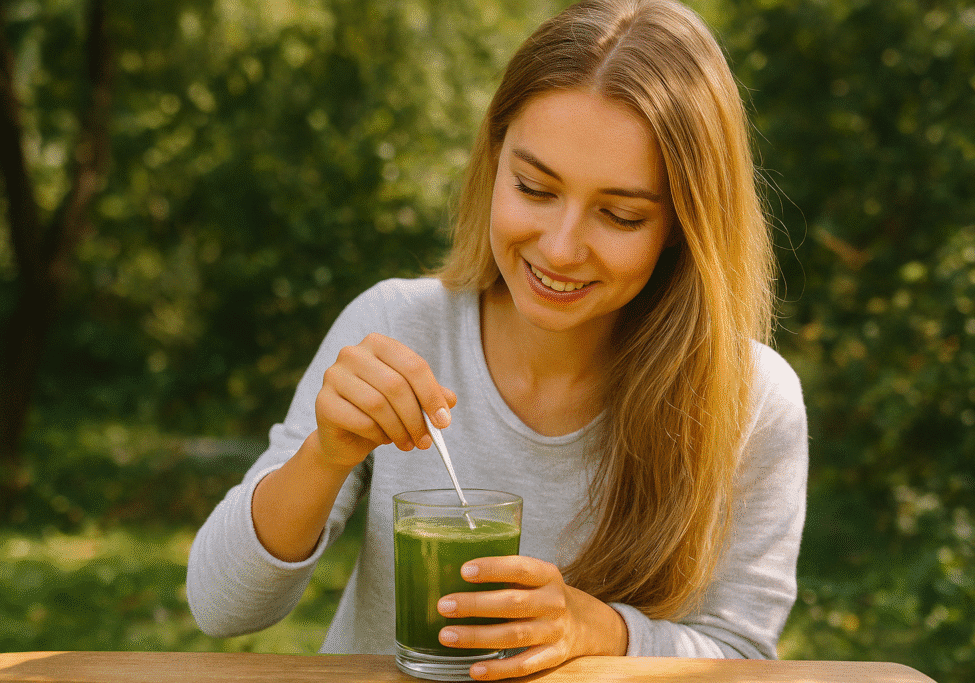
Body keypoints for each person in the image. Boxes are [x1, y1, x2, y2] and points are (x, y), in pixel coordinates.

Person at [186, 0, 808, 679]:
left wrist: (597, 627)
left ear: (683, 228)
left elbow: (741, 655)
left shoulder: (749, 399)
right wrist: (323, 455)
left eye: (620, 214)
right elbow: (219, 606)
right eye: (534, 188)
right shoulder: (397, 326)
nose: (562, 247)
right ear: (493, 158)